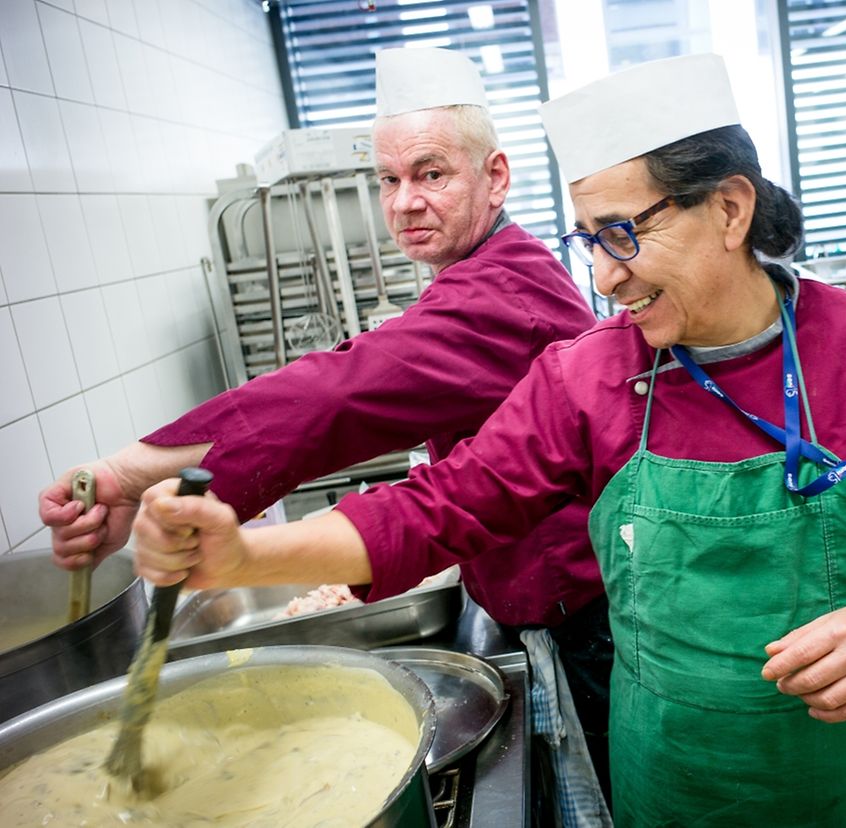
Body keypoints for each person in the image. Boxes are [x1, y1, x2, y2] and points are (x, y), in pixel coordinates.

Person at [132, 53, 846, 825]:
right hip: (672, 781)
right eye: (587, 237)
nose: (601, 276)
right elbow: (442, 507)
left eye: (622, 235)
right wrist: (240, 555)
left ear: (729, 208)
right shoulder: (587, 376)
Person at [37, 47, 612, 820]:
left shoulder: (505, 291)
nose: (405, 201)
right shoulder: (483, 273)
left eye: (432, 173)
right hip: (547, 604)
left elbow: (343, 390)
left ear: (495, 177)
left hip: (582, 629)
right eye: (389, 179)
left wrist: (122, 473)